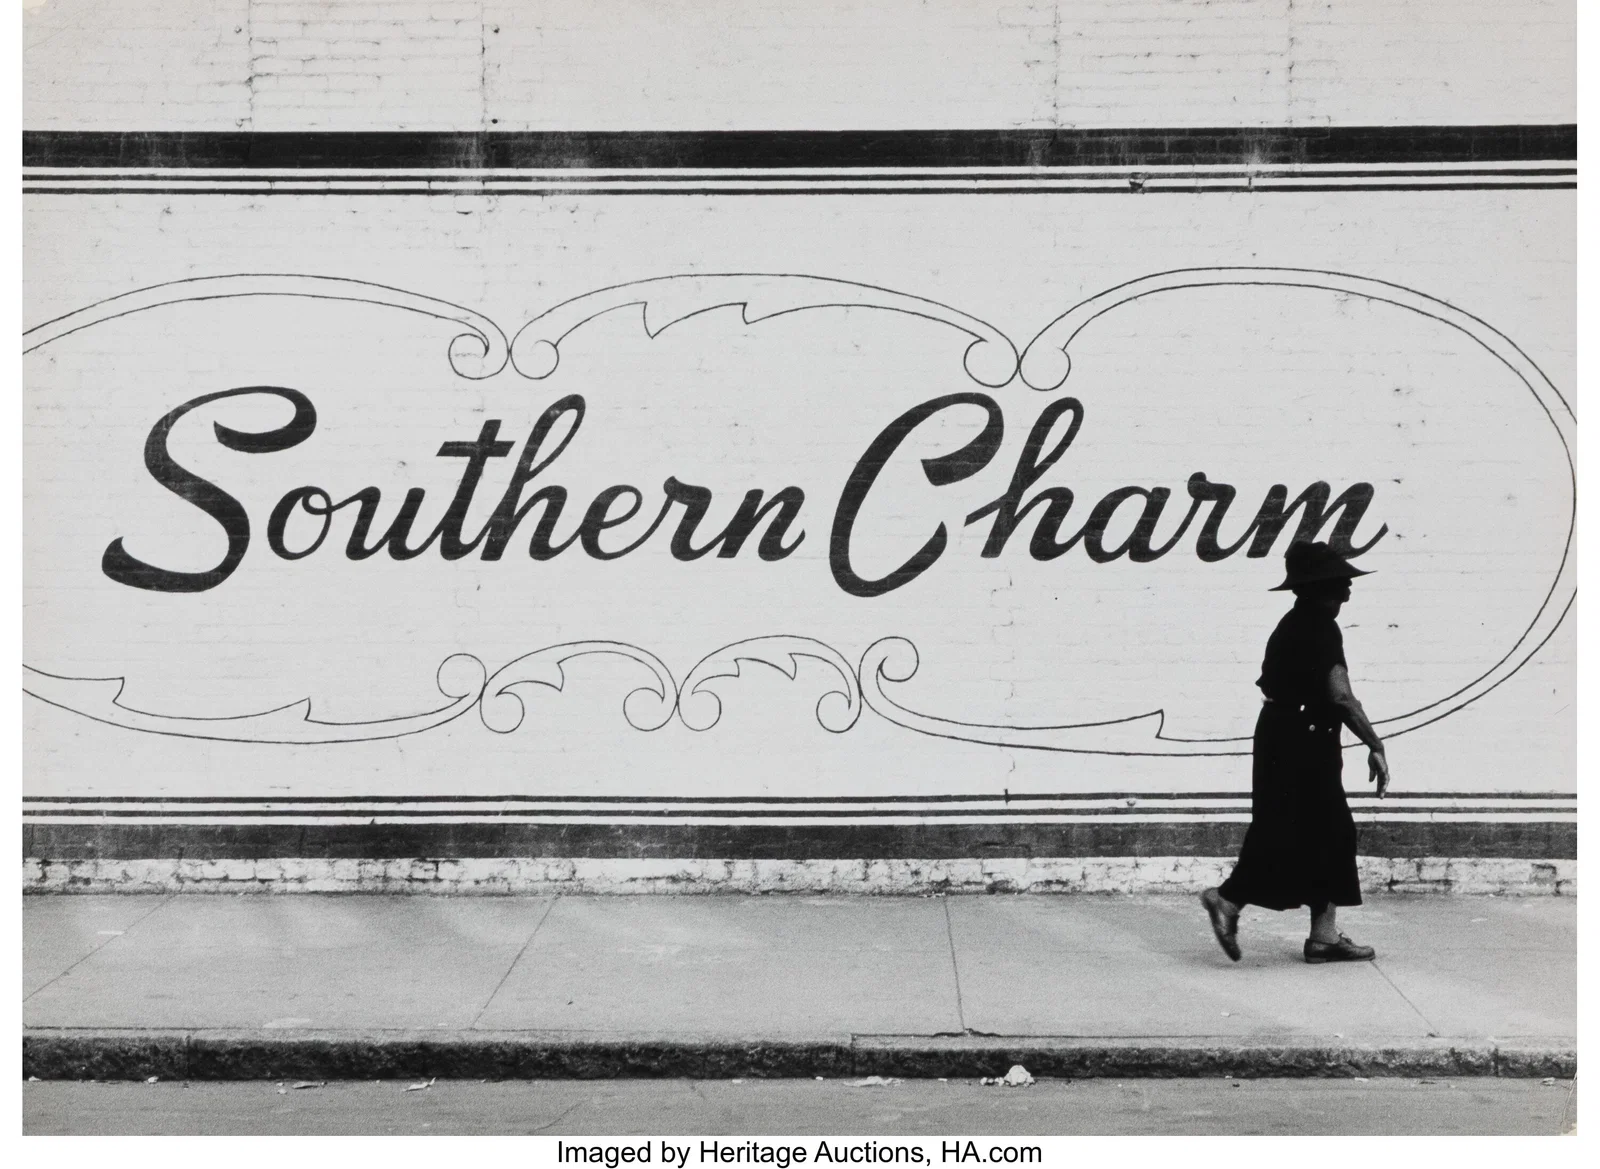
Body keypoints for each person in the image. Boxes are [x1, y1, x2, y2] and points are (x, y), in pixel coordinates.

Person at [1200, 539, 1390, 964]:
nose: (1348, 590)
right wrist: (1375, 744)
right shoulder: (1320, 627)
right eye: (1340, 582)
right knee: (1316, 831)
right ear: (1321, 587)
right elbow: (1341, 696)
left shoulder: (1293, 623)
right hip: (1304, 739)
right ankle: (1228, 900)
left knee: (1309, 830)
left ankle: (1321, 936)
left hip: (1287, 734)